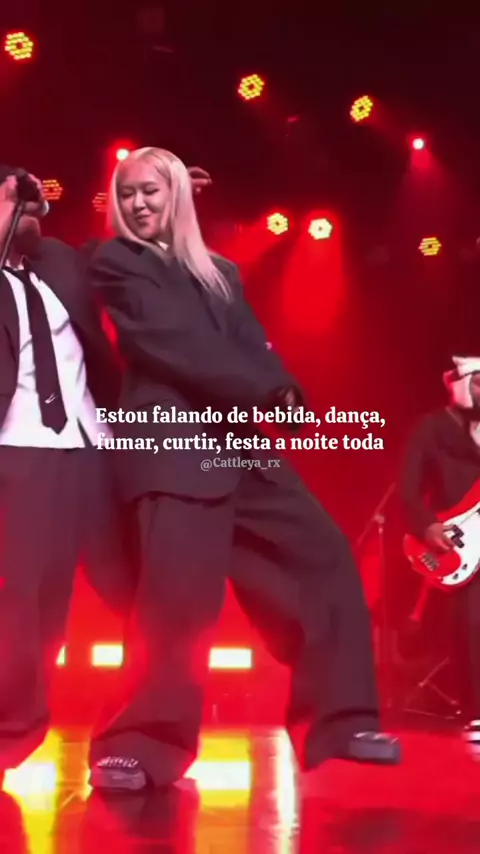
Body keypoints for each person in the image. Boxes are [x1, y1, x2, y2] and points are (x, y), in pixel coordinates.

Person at [87, 146, 400, 792]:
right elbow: (173, 341)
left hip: (236, 445)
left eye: (151, 191)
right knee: (175, 607)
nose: (138, 203)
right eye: (128, 193)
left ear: (178, 194)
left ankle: (338, 721)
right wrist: (261, 391)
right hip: (171, 448)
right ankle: (140, 744)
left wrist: (285, 393)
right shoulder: (118, 262)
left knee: (323, 554)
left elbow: (251, 343)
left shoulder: (220, 272)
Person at [0, 164, 133, 782]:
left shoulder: (58, 261)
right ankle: (12, 732)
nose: (27, 206)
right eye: (10, 198)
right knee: (29, 603)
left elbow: (129, 249)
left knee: (136, 588)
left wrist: (166, 192)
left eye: (30, 198)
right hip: (22, 448)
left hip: (93, 447)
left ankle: (137, 730)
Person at [399, 355, 480, 749]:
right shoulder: (431, 430)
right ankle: (475, 709)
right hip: (457, 544)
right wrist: (428, 527)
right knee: (471, 625)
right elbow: (408, 489)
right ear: (461, 385)